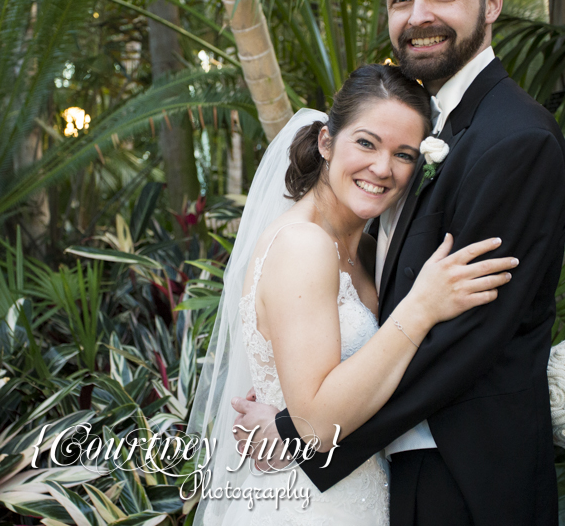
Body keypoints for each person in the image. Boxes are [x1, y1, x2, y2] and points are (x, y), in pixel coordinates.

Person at [230, 0, 565, 525]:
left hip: (467, 479)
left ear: (492, 2)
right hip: (399, 473)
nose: (419, 15)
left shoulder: (516, 140)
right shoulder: (427, 129)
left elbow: (466, 341)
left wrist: (297, 434)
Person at [187, 64, 520, 526]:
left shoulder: (366, 249)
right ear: (326, 142)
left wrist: (280, 419)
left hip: (364, 490)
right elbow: (318, 425)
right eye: (366, 143)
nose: (382, 168)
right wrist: (421, 307)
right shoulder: (303, 246)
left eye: (403, 154)